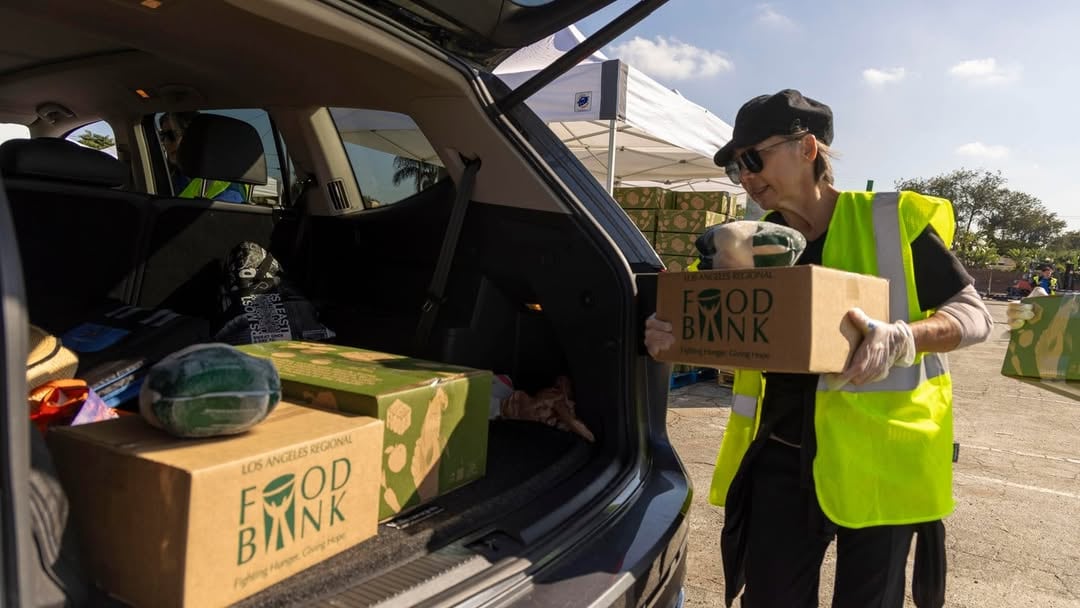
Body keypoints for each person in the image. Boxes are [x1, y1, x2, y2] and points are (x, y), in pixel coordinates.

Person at [645, 89, 993, 607]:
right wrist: (670, 334)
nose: (745, 178)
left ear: (807, 149)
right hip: (783, 458)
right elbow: (693, 313)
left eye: (753, 159)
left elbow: (975, 314)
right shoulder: (747, 242)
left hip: (882, 464)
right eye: (736, 168)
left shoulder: (888, 222)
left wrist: (904, 337)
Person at [157, 111, 251, 203]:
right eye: (162, 136)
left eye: (172, 135)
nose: (165, 143)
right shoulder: (168, 176)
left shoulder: (229, 186)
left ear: (195, 136)